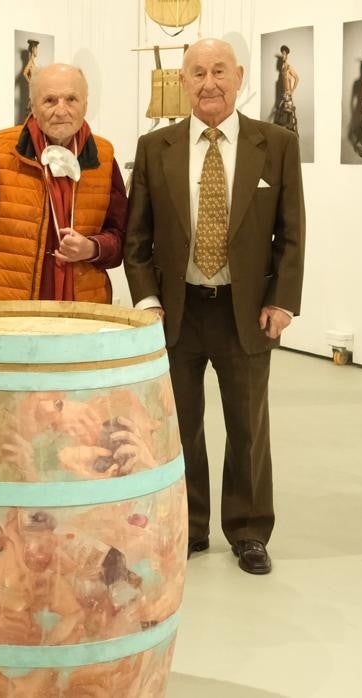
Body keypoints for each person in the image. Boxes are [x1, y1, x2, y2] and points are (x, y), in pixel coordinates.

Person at [123, 38, 305, 576]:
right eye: (198, 72)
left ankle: (249, 530)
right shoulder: (156, 148)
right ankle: (190, 524)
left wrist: (282, 301)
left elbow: (291, 233)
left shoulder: (275, 144)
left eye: (219, 71)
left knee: (248, 427)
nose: (209, 83)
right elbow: (137, 237)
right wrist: (148, 299)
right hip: (177, 312)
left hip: (244, 312)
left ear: (239, 76)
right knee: (181, 426)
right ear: (183, 81)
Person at [0, 64, 128, 302]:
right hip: (13, 311)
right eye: (49, 100)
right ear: (33, 107)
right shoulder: (2, 150)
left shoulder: (104, 156)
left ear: (85, 105)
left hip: (84, 310)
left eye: (71, 99)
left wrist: (93, 247)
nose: (61, 110)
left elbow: (122, 237)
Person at [272, 45, 299, 134]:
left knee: (289, 116)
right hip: (283, 95)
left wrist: (292, 90)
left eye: (284, 54)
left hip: (288, 96)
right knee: (282, 116)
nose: (283, 56)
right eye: (282, 54)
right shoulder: (283, 69)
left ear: (287, 56)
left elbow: (297, 78)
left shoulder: (288, 68)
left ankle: (292, 136)